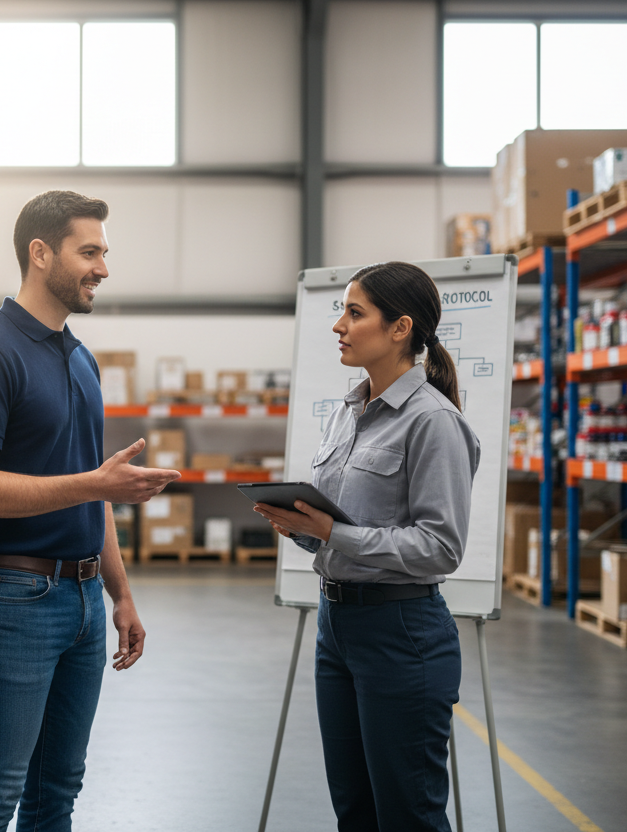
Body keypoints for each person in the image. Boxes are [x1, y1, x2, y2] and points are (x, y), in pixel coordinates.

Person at [0, 190, 182, 832]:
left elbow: (92, 485)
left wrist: (120, 594)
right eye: (90, 252)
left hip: (80, 601)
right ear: (39, 253)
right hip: (12, 596)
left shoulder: (80, 357)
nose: (103, 267)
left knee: (57, 793)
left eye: (104, 252)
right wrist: (92, 484)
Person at [253, 261, 480, 832]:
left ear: (401, 327)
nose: (340, 325)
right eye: (342, 311)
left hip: (401, 632)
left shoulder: (433, 422)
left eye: (355, 313)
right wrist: (303, 526)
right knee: (353, 809)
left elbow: (440, 547)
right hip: (338, 628)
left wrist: (335, 534)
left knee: (408, 816)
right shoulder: (347, 414)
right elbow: (344, 525)